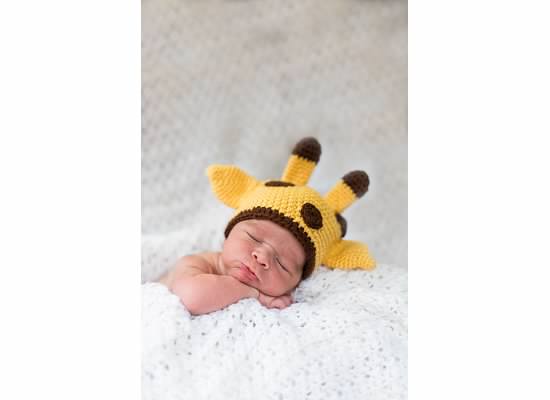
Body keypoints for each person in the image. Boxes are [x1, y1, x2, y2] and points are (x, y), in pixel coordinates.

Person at [158, 137, 376, 315]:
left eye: (282, 263)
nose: (262, 257)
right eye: (253, 238)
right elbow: (192, 297)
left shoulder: (285, 304)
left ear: (296, 282)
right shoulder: (196, 264)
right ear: (228, 234)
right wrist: (255, 295)